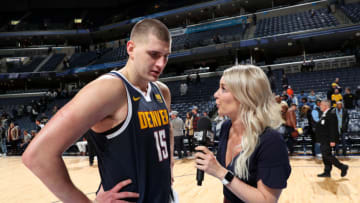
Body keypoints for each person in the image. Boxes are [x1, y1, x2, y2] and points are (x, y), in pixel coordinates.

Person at [22, 19, 174, 203]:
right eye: (154, 54)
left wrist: (168, 164)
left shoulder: (161, 91)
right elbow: (38, 155)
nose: (161, 64)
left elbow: (167, 131)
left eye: (166, 56)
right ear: (131, 48)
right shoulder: (109, 89)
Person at [194, 65, 291, 203]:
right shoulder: (226, 127)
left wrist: (221, 173)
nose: (216, 94)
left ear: (245, 96)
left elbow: (266, 200)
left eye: (223, 88)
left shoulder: (271, 141)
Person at [316, 100, 348, 177]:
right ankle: (327, 172)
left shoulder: (331, 114)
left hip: (328, 139)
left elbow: (333, 128)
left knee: (327, 155)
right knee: (325, 156)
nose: (320, 106)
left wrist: (333, 140)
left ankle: (342, 167)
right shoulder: (325, 113)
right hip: (324, 139)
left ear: (326, 106)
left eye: (321, 105)